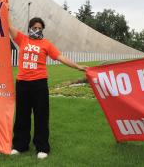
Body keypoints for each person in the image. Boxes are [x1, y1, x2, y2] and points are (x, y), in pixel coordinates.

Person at [8, 17, 87, 159]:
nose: (37, 30)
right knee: (22, 116)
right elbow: (9, 26)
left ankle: (42, 147)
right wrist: (5, 7)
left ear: (42, 30)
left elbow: (61, 57)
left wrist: (78, 67)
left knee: (41, 116)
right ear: (29, 28)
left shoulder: (46, 44)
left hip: (39, 84)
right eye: (34, 27)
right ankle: (20, 145)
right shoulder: (22, 39)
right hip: (22, 84)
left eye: (40, 28)